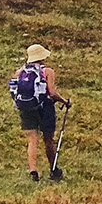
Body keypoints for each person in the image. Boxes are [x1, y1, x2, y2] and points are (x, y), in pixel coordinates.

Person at [9, 44, 71, 181]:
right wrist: (65, 102)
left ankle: (33, 172)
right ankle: (54, 170)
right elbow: (52, 92)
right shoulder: (47, 71)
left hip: (26, 108)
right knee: (48, 140)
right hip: (45, 107)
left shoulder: (20, 72)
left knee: (32, 140)